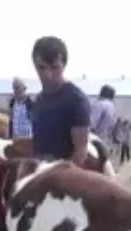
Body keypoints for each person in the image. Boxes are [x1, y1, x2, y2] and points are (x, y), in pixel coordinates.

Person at [28, 36, 91, 166]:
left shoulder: (76, 100)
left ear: (64, 65)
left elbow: (80, 154)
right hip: (41, 174)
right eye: (42, 68)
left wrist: (55, 179)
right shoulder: (39, 101)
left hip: (66, 180)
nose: (48, 75)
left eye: (54, 67)